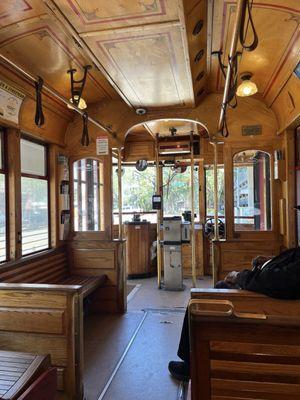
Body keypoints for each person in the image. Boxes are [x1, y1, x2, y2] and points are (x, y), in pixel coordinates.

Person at [168, 247, 300, 381]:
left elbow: (279, 282)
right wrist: (270, 261)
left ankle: (193, 366)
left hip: (270, 310)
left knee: (199, 302)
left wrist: (239, 276)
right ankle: (193, 359)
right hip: (269, 300)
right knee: (219, 288)